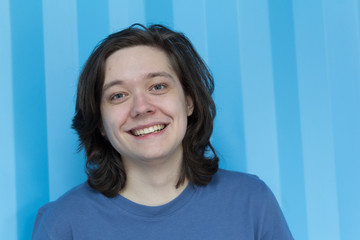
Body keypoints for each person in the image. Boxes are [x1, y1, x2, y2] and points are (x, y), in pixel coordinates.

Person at [32, 24, 293, 239]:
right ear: (99, 122)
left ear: (188, 101)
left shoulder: (251, 201)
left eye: (157, 86)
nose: (141, 107)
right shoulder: (62, 223)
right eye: (118, 95)